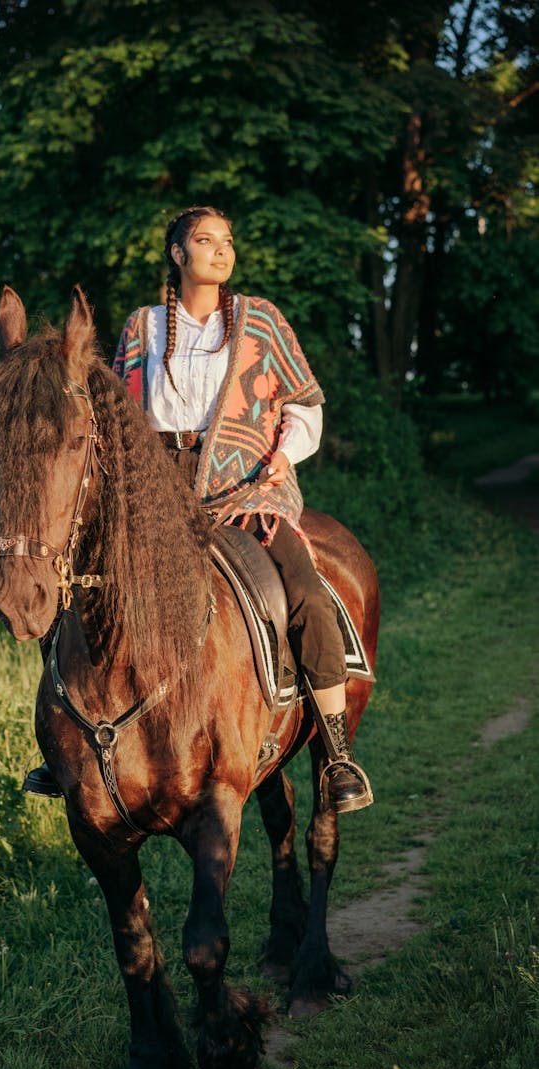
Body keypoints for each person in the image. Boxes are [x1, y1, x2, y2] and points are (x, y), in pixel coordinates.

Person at [25, 205, 372, 813]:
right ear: (178, 255)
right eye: (206, 241)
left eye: (228, 241)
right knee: (72, 584)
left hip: (247, 488)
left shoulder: (261, 321)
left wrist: (284, 458)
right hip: (155, 492)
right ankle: (66, 743)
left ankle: (338, 753)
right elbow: (116, 414)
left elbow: (306, 404)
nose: (222, 250)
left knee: (306, 592)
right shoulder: (143, 327)